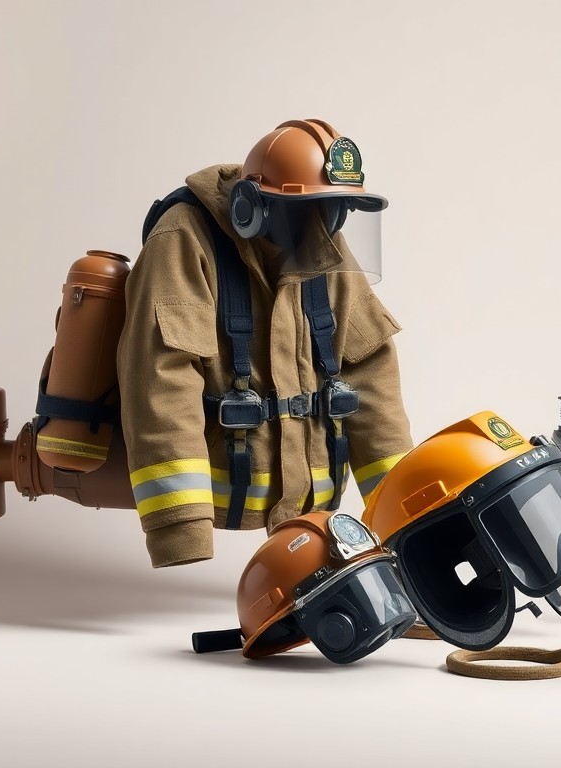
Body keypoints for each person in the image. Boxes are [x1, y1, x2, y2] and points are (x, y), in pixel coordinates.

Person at [117, 119, 413, 568]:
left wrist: (407, 522)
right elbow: (162, 385)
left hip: (313, 519)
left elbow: (372, 379)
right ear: (249, 208)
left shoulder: (322, 244)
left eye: (331, 210)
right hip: (226, 493)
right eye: (306, 210)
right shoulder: (182, 239)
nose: (322, 227)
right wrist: (182, 535)